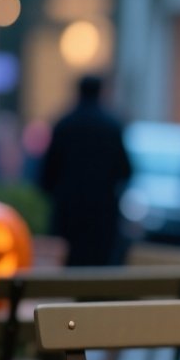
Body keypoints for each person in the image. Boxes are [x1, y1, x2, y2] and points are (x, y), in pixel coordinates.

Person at [39, 75, 131, 266]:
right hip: (102, 214)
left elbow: (47, 173)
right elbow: (125, 171)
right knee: (100, 266)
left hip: (69, 213)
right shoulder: (112, 126)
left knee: (69, 265)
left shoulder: (64, 125)